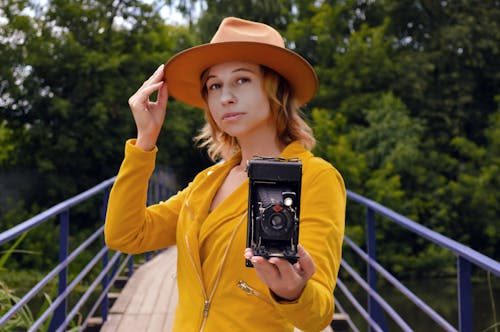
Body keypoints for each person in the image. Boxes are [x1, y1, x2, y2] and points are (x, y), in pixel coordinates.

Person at [104, 17, 346, 331]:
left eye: (242, 80)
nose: (225, 97)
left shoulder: (314, 177)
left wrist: (293, 292)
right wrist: (145, 143)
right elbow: (125, 234)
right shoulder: (207, 182)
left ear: (276, 89)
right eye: (214, 85)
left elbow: (317, 316)